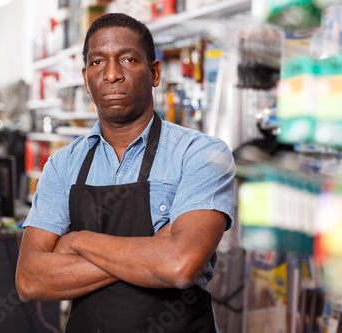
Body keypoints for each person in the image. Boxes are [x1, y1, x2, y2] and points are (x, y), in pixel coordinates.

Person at [16, 13, 235, 332]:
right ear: (86, 78)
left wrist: (77, 241)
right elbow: (30, 280)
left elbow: (179, 266)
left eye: (129, 59)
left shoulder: (201, 154)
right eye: (97, 63)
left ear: (155, 72)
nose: (112, 74)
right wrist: (153, 250)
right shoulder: (63, 165)